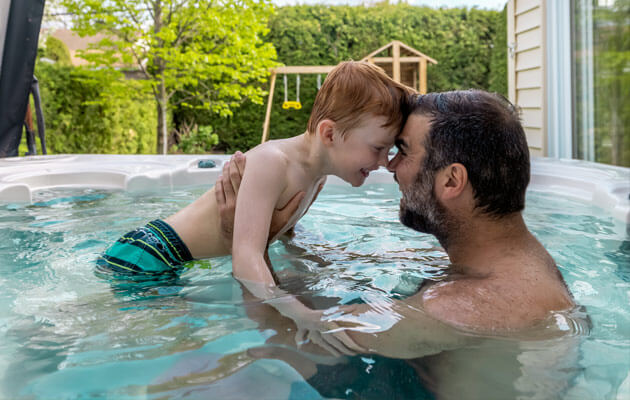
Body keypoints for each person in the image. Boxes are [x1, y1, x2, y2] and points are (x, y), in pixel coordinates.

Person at [216, 89, 584, 355]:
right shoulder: (521, 264)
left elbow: (283, 343)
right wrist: (287, 236)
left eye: (403, 151)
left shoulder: (456, 307)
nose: (389, 165)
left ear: (452, 181)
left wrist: (246, 238)